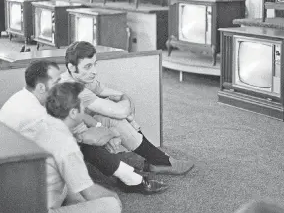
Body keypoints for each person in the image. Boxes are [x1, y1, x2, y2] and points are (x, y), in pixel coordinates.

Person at [0, 60, 167, 195]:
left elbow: (74, 116)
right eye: (56, 82)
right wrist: (110, 134)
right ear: (41, 87)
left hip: (25, 156)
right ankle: (130, 178)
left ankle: (128, 175)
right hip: (22, 174)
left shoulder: (26, 96)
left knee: (86, 139)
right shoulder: (37, 116)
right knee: (85, 147)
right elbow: (85, 138)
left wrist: (100, 127)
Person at [60, 41, 194, 175]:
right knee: (116, 117)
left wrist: (124, 100)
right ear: (72, 67)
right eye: (88, 66)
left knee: (116, 113)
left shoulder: (81, 78)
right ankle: (159, 160)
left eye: (95, 64)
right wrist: (125, 104)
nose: (94, 71)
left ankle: (157, 160)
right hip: (72, 139)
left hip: (86, 126)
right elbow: (121, 111)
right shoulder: (72, 87)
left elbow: (111, 93)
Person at [26, 81, 122, 213]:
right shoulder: (66, 144)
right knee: (111, 204)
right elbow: (90, 192)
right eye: (82, 107)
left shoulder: (43, 126)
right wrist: (114, 197)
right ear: (72, 113)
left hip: (29, 200)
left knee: (75, 192)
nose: (85, 110)